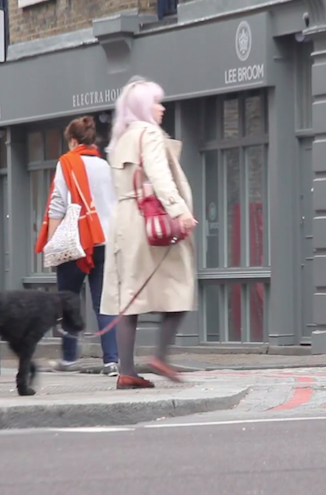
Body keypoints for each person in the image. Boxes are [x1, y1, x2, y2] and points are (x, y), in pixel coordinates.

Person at [101, 77, 198, 389]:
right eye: (156, 102)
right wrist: (180, 211)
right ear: (144, 107)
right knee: (182, 286)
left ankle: (126, 371)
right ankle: (161, 357)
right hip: (151, 219)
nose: (162, 107)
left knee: (129, 296)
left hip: (125, 222)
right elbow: (159, 177)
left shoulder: (121, 139)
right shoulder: (149, 134)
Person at [36, 116, 120, 377]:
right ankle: (112, 360)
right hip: (104, 240)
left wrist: (52, 244)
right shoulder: (107, 166)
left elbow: (57, 206)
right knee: (103, 302)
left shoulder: (67, 162)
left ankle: (70, 357)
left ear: (73, 140)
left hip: (75, 241)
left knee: (68, 300)